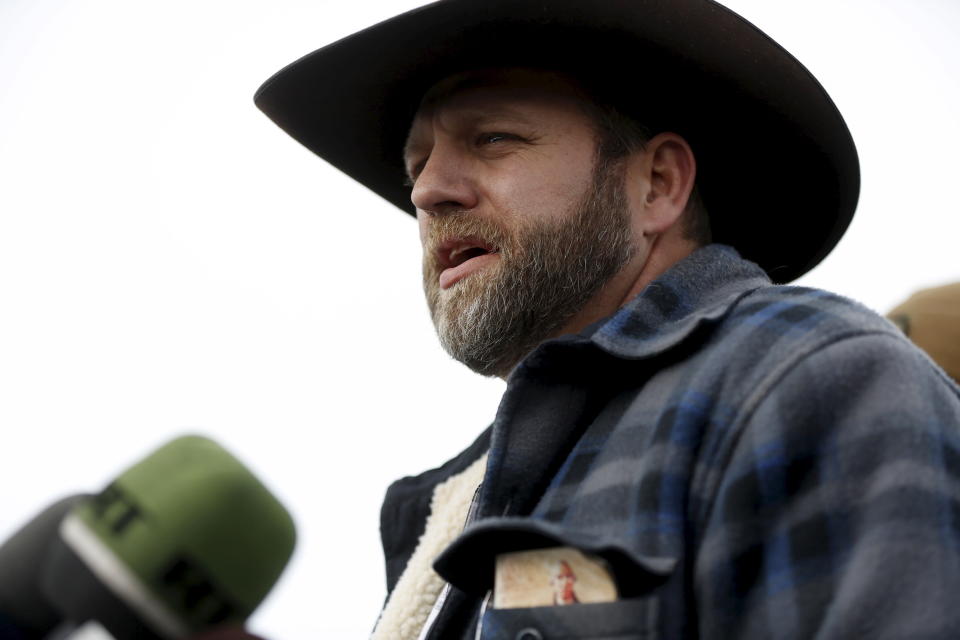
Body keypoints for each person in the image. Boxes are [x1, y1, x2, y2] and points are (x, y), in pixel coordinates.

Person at [255, 1, 960, 638]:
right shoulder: (460, 503)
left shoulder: (808, 380)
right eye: (417, 167)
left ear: (656, 184)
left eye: (494, 138)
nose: (429, 191)